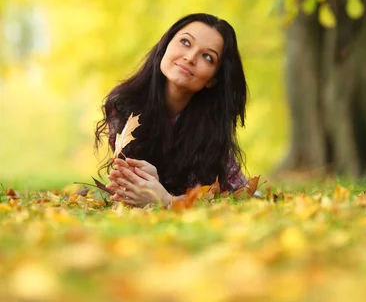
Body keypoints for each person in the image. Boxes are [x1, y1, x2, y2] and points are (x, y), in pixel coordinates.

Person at [95, 13, 252, 208]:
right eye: (185, 42)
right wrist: (152, 182)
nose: (190, 57)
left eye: (207, 57)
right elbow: (130, 184)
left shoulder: (210, 127)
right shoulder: (124, 105)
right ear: (166, 44)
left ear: (212, 79)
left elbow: (243, 196)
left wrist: (167, 200)